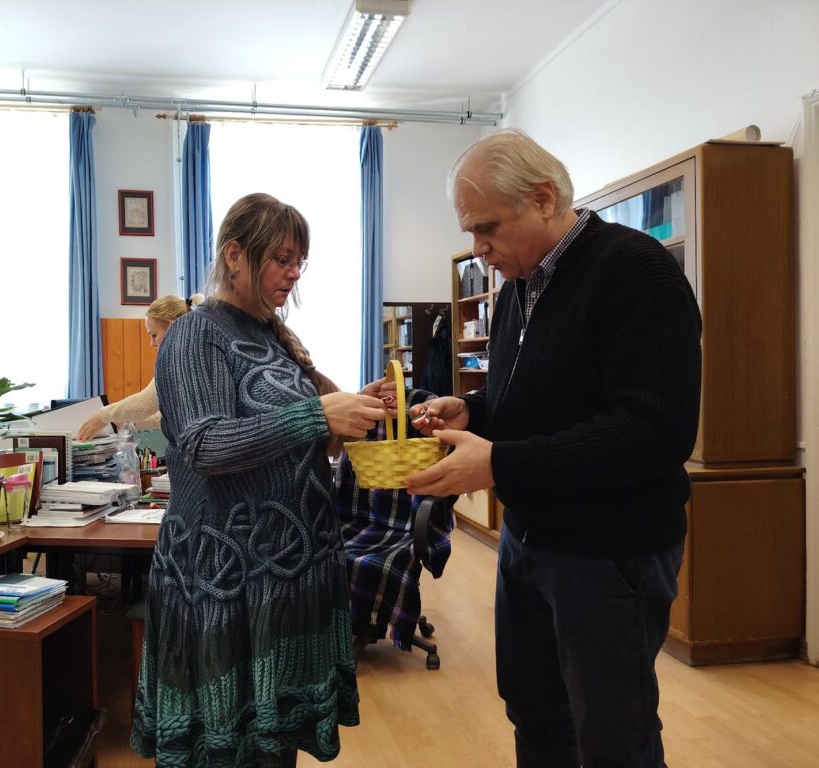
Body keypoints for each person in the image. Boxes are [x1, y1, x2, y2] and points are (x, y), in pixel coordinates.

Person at [405, 129, 702, 767]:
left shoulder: (636, 270)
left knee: (612, 736)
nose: (477, 249)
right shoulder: (519, 285)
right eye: (470, 230)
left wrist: (498, 461)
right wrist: (476, 411)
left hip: (608, 552)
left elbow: (656, 432)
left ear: (543, 198)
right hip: (530, 541)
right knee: (536, 715)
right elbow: (540, 401)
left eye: (486, 228)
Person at [131, 193, 386, 767]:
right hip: (227, 585)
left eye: (299, 262)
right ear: (235, 256)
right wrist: (316, 415)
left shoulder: (272, 335)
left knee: (270, 750)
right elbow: (204, 445)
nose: (294, 274)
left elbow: (305, 435)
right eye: (282, 259)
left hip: (282, 578)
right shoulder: (194, 336)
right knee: (228, 749)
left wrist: (356, 409)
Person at [76, 293, 205, 440]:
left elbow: (145, 403)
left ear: (172, 327)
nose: (152, 343)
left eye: (154, 335)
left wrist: (103, 416)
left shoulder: (183, 357)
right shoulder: (196, 349)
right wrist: (123, 422)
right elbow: (163, 417)